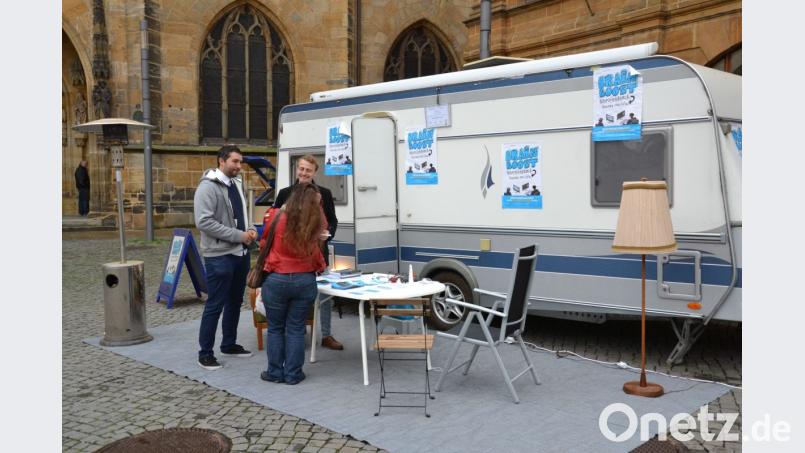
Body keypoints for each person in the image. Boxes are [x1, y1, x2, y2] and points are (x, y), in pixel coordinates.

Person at [194, 145, 257, 370]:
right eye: (235, 162)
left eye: (240, 162)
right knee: (215, 304)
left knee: (234, 302)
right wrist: (239, 235)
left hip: (240, 253)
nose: (239, 166)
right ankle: (205, 353)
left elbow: (243, 212)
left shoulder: (237, 183)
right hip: (219, 256)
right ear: (221, 161)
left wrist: (251, 229)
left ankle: (229, 344)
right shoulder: (207, 187)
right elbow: (204, 222)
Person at [273, 154, 343, 350]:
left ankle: (326, 335)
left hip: (320, 254)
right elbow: (274, 222)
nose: (304, 173)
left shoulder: (325, 194)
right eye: (301, 169)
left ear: (314, 173)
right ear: (297, 169)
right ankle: (298, 332)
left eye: (308, 170)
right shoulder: (285, 193)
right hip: (292, 256)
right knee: (296, 295)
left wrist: (328, 235)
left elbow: (333, 220)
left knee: (325, 296)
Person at [260, 183, 328, 384]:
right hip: (304, 280)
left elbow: (264, 243)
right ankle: (293, 374)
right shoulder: (314, 222)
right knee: (296, 328)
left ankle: (274, 372)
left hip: (276, 278)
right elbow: (315, 253)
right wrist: (321, 266)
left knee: (275, 328)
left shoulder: (276, 216)